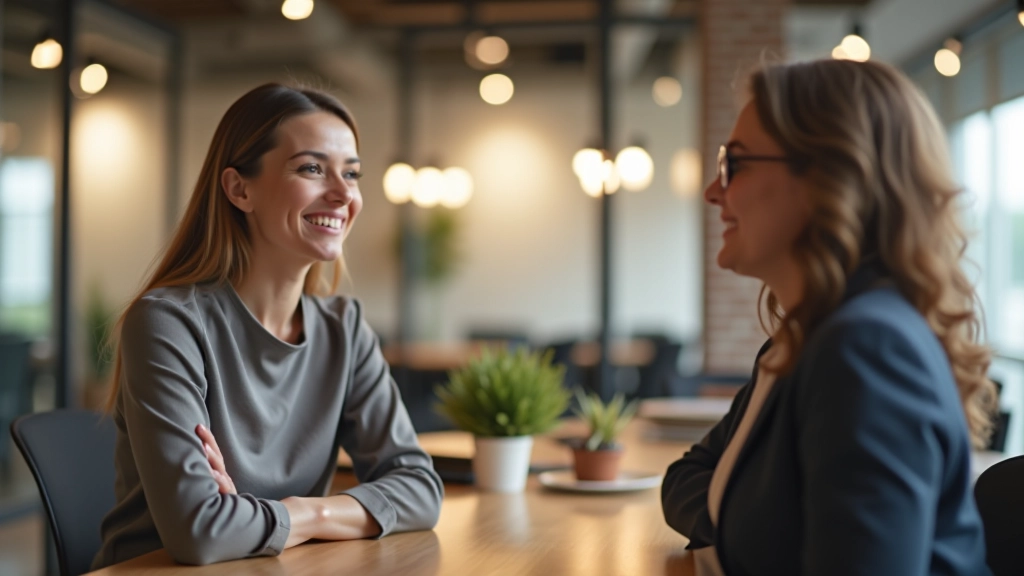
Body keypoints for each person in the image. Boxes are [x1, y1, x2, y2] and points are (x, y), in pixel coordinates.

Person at [661, 59, 995, 576]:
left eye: (736, 163)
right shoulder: (808, 341)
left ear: (829, 177)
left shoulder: (866, 347)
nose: (712, 191)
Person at [93, 84, 443, 569]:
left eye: (352, 174)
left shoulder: (346, 328)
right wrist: (337, 513)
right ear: (240, 189)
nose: (343, 195)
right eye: (312, 168)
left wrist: (301, 513)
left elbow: (421, 491)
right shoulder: (168, 324)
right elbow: (200, 533)